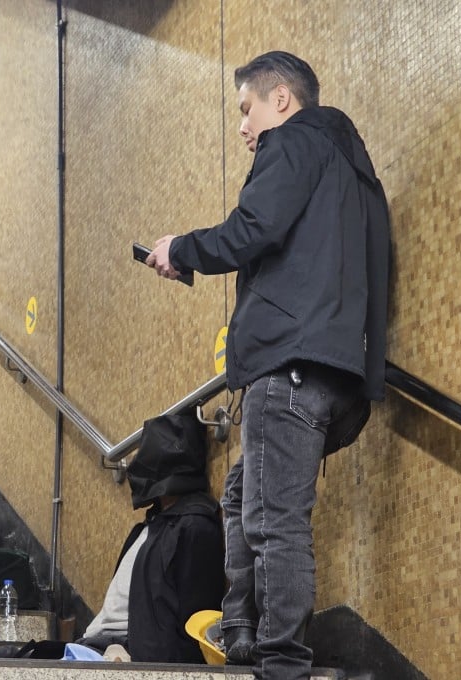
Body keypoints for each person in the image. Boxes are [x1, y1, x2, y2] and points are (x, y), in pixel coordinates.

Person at [146, 51, 391, 679]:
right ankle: (241, 629)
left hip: (291, 366)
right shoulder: (357, 174)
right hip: (341, 377)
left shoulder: (290, 144)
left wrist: (184, 250)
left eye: (246, 109)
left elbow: (253, 227)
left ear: (280, 98)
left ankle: (279, 659)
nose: (243, 127)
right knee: (242, 493)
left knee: (273, 518)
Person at [79, 414, 224, 663]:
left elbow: (196, 618)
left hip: (128, 646)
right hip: (96, 642)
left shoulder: (193, 526)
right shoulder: (149, 528)